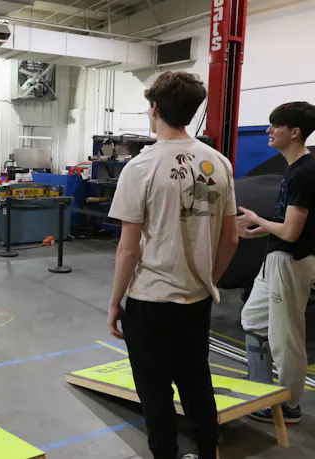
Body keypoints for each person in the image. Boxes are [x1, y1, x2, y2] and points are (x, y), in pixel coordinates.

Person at [107, 71, 239, 459]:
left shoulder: (140, 168)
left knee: (155, 391)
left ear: (155, 109)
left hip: (151, 300)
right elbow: (230, 239)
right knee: (197, 382)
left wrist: (115, 301)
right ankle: (209, 452)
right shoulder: (220, 163)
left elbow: (129, 250)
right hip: (197, 300)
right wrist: (207, 280)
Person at [238, 102, 315, 425]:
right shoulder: (294, 168)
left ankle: (289, 406)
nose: (268, 131)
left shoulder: (305, 173)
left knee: (286, 339)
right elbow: (288, 225)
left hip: (290, 262)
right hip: (276, 258)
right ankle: (263, 394)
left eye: (275, 126)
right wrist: (256, 231)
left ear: (294, 132)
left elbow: (291, 232)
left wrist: (258, 220)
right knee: (253, 320)